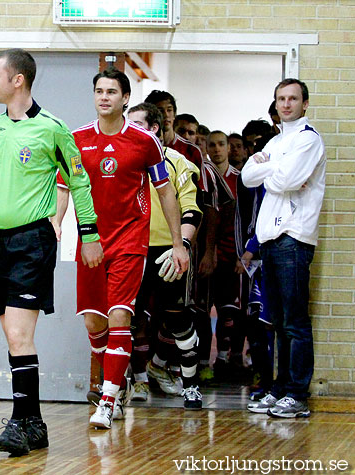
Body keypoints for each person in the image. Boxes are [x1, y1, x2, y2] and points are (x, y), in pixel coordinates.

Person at [0, 49, 103, 456]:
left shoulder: (52, 129)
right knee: (12, 335)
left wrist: (88, 234)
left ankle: (21, 422)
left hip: (32, 242)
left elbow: (80, 183)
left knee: (19, 335)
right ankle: (34, 423)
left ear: (18, 80)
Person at [56, 70, 189, 428]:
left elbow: (165, 193)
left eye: (112, 92)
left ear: (125, 98)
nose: (104, 97)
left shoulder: (146, 142)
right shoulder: (76, 139)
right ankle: (118, 377)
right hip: (90, 242)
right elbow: (64, 189)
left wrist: (179, 244)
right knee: (94, 322)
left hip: (130, 241)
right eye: (98, 91)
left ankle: (108, 398)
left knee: (120, 317)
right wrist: (56, 224)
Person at [242, 78, 325, 418]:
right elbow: (248, 177)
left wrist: (268, 169)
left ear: (304, 103)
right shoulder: (277, 141)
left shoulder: (309, 140)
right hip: (270, 243)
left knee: (294, 322)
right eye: (281, 99)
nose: (286, 104)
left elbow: (285, 182)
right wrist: (274, 169)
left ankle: (297, 394)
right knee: (276, 321)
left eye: (293, 98)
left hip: (294, 239)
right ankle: (279, 388)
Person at [126, 102, 203, 410]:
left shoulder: (177, 163)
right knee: (130, 320)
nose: (129, 131)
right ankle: (140, 381)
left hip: (168, 250)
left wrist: (180, 246)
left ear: (154, 128)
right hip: (131, 251)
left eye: (137, 125)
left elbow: (192, 211)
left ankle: (191, 387)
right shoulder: (123, 162)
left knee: (179, 320)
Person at [205, 131, 245, 381]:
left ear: (229, 148)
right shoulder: (203, 177)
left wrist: (244, 254)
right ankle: (203, 365)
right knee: (201, 312)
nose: (217, 149)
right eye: (212, 145)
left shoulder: (242, 180)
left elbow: (247, 218)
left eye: (222, 144)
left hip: (234, 255)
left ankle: (226, 359)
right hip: (207, 257)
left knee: (231, 312)